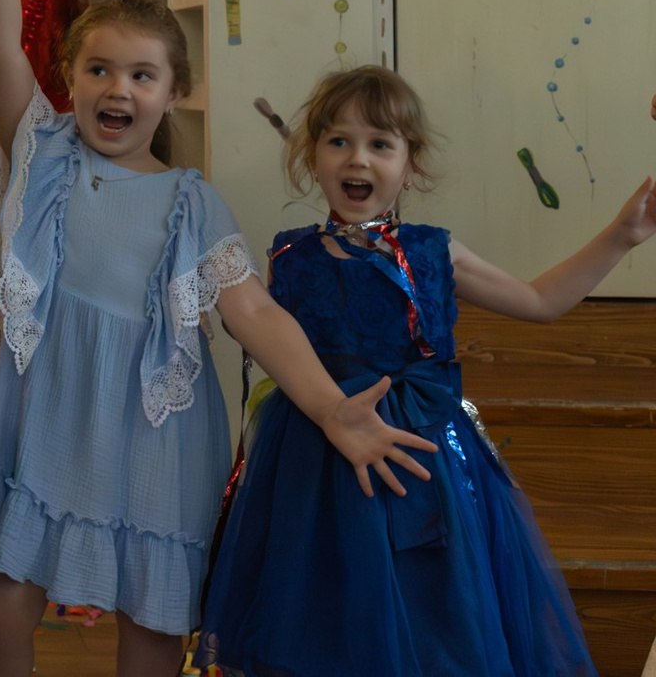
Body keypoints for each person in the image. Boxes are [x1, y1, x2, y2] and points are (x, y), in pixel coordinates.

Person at [0, 0, 437, 677]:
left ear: (175, 92)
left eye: (143, 76)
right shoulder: (44, 155)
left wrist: (331, 408)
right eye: (100, 70)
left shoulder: (189, 202)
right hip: (51, 416)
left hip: (156, 440)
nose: (119, 89)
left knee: (152, 623)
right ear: (69, 77)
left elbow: (255, 313)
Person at [198, 63, 655, 676]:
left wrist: (622, 235)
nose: (357, 158)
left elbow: (541, 300)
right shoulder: (290, 255)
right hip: (315, 461)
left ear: (409, 164)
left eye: (380, 144)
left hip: (423, 454)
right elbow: (264, 333)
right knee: (322, 618)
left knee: (432, 616)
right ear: (313, 157)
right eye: (339, 141)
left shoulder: (433, 250)